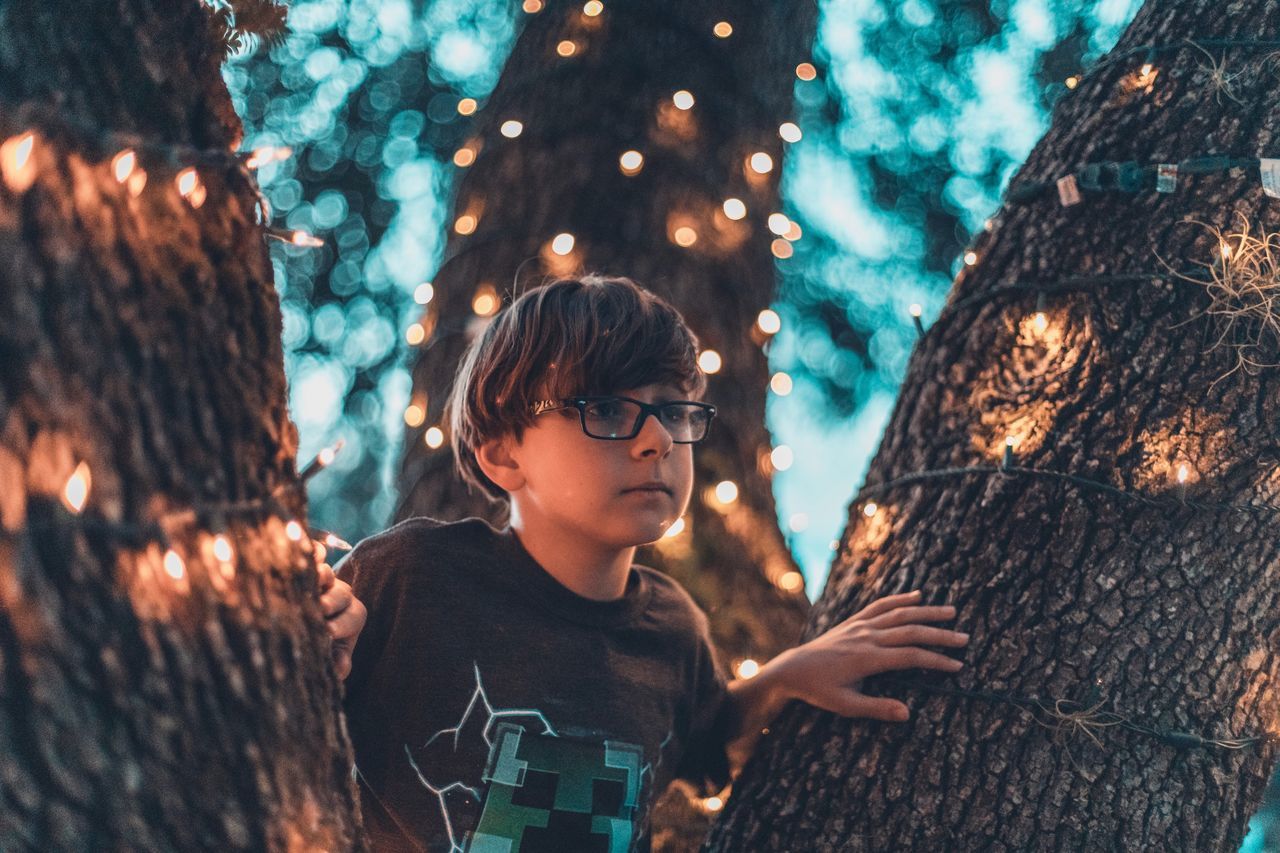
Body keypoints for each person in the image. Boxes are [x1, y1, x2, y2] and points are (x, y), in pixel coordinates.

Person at [334, 274, 969, 852]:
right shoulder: (412, 577)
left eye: (672, 410)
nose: (658, 438)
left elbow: (708, 742)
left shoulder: (672, 629)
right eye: (607, 408)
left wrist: (785, 677)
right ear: (502, 453)